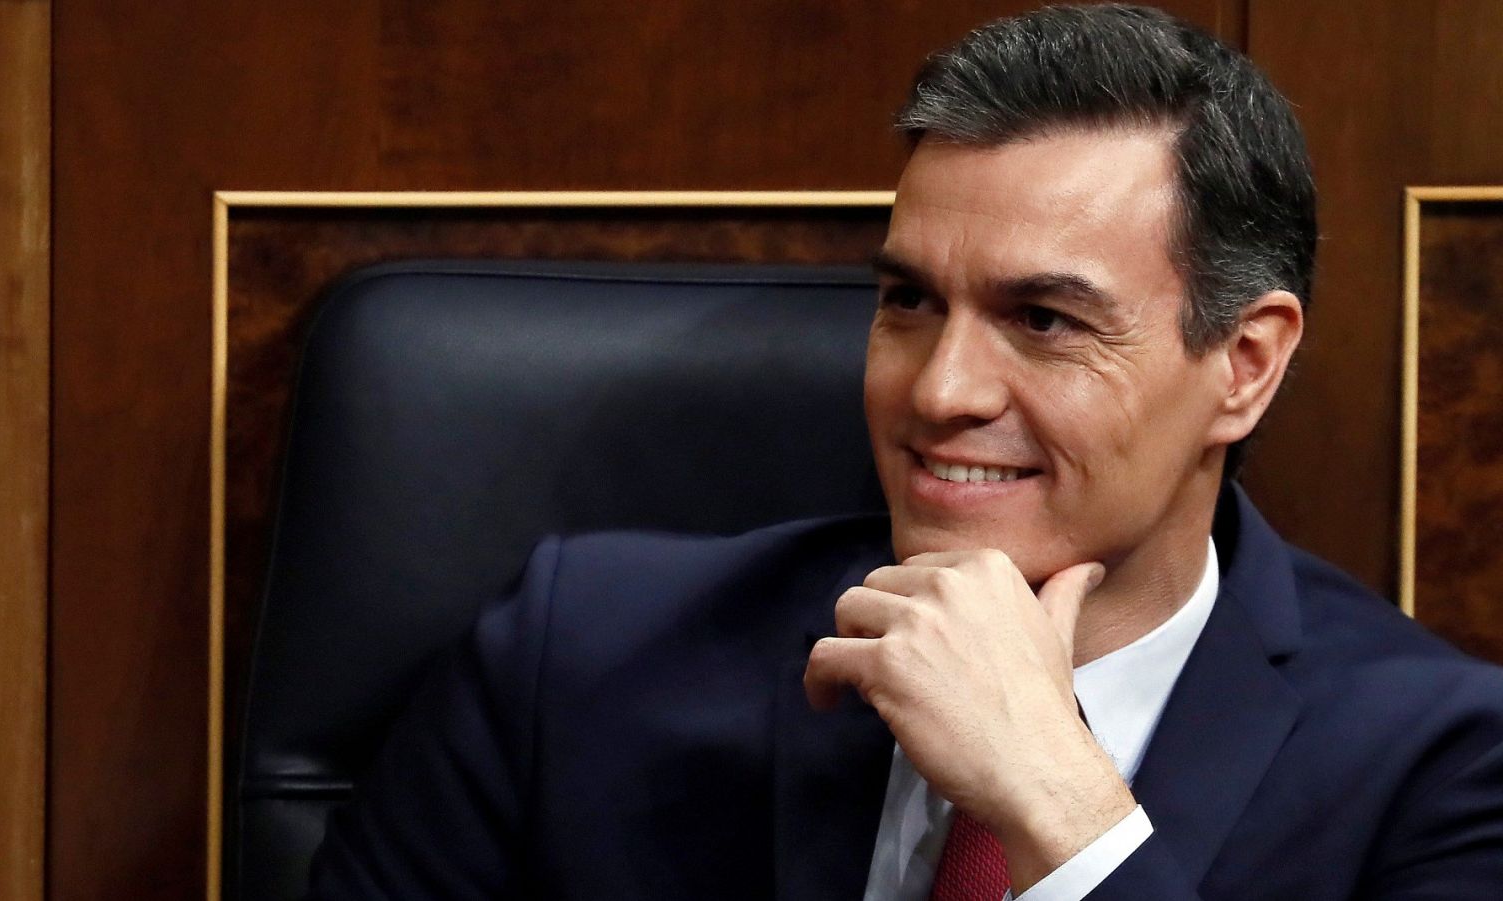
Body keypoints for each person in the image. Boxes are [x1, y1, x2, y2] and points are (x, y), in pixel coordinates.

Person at [307, 5, 1503, 899]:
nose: (938, 390)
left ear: (1242, 364)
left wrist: (1061, 809)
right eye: (909, 302)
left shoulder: (1440, 771)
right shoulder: (576, 656)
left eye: (1044, 320)